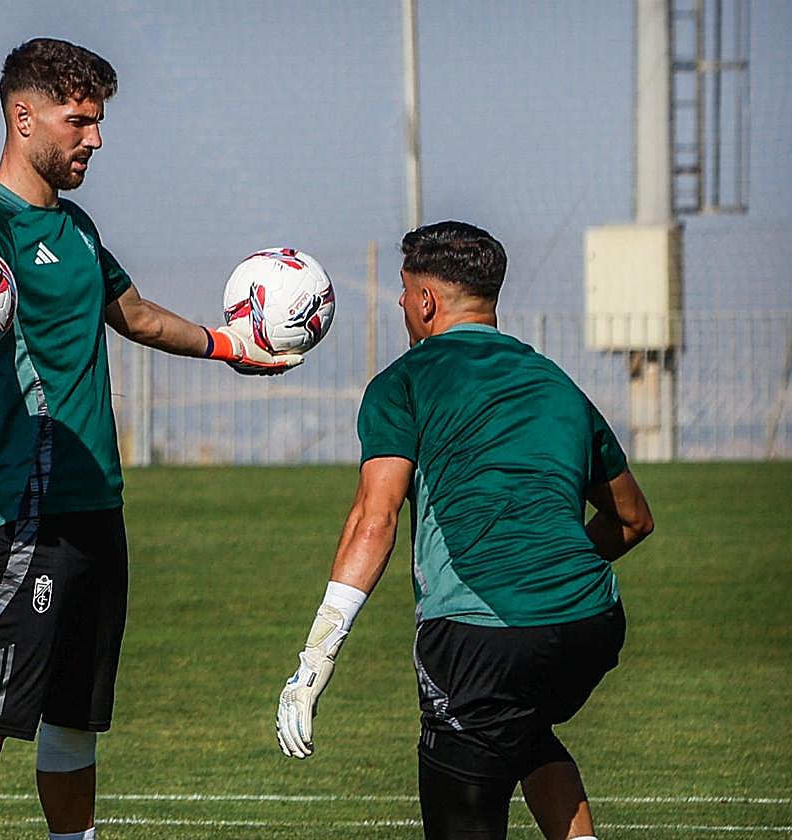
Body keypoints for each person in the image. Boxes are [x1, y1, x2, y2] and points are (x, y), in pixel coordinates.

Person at [0, 38, 301, 840]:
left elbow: (135, 314)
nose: (94, 138)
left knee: (74, 719)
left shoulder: (77, 225)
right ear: (23, 118)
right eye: (77, 120)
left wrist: (231, 346)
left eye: (98, 121)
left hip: (98, 506)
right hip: (33, 508)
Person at [274, 221, 654, 840]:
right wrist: (553, 568)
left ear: (425, 300)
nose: (400, 306)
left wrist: (314, 661)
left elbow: (375, 519)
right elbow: (634, 519)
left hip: (481, 634)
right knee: (522, 729)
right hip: (591, 621)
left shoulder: (404, 382)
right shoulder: (559, 385)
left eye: (402, 293)